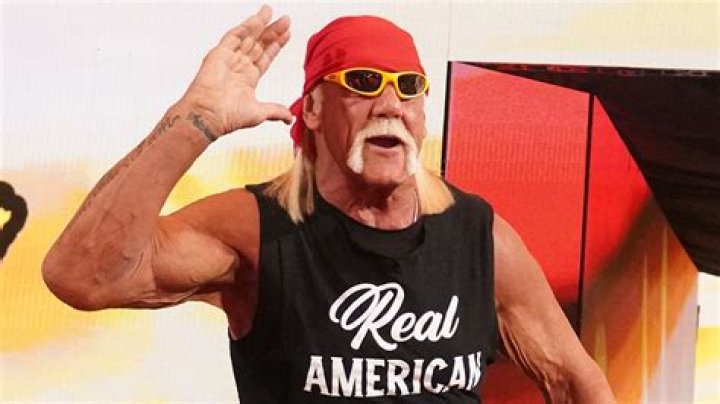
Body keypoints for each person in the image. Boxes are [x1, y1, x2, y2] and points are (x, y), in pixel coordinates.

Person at [43, 5, 615, 403]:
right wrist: (194, 121)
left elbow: (572, 379)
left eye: (408, 86)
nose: (390, 104)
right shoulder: (256, 230)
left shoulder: (477, 237)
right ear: (313, 110)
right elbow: (82, 276)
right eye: (363, 81)